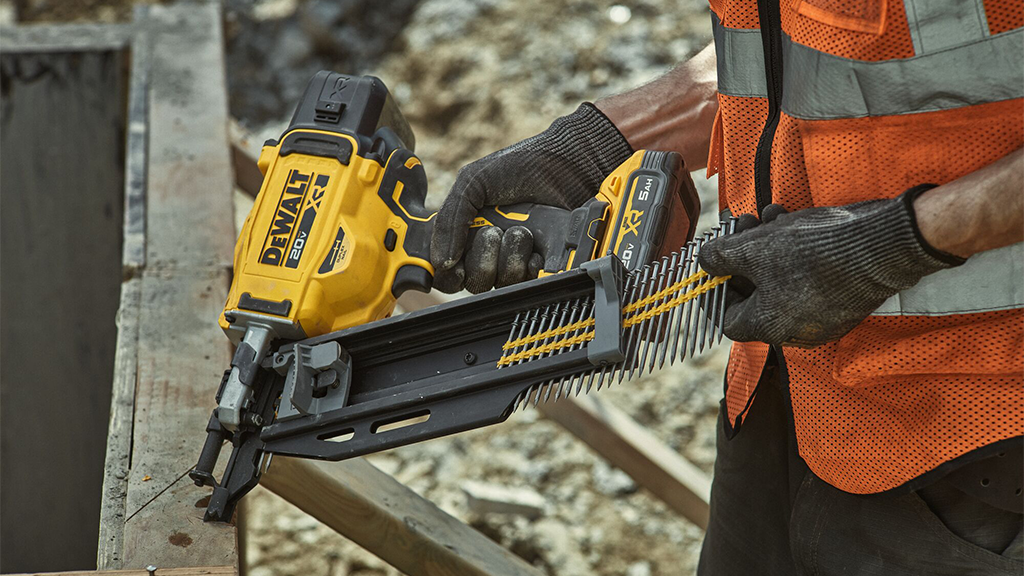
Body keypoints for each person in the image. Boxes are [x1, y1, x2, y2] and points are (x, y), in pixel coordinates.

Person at [428, 1, 1024, 574]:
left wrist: (898, 241)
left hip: (973, 438)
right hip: (781, 392)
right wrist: (604, 138)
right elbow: (797, 49)